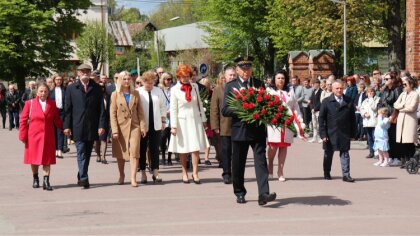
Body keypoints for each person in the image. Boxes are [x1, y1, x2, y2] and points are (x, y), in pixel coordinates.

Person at [222, 56, 276, 205]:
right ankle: (239, 192)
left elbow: (266, 103)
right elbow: (225, 110)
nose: (246, 71)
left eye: (248, 68)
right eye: (243, 69)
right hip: (240, 130)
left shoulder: (258, 84)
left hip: (257, 130)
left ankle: (263, 194)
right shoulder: (231, 86)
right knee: (238, 164)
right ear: (237, 70)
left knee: (260, 162)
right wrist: (243, 110)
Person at [64, 64, 106, 189]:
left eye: (87, 71)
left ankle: (81, 173)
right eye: (83, 71)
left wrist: (101, 125)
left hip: (92, 126)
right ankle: (84, 178)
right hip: (77, 126)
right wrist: (67, 126)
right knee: (81, 151)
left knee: (87, 153)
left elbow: (101, 109)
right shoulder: (71, 88)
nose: (85, 73)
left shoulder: (97, 88)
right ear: (78, 73)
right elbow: (68, 109)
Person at [168, 64, 209, 184]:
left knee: (195, 148)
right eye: (183, 76)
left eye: (187, 76)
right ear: (179, 77)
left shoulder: (195, 86)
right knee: (183, 149)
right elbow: (173, 108)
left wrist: (204, 119)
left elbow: (199, 104)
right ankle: (184, 171)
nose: (185, 78)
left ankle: (195, 173)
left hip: (195, 119)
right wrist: (173, 126)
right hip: (182, 121)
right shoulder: (174, 89)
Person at [19, 83, 63, 191]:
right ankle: (35, 178)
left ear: (48, 93)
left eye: (45, 91)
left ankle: (46, 181)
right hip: (34, 136)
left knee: (47, 159)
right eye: (41, 91)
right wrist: (23, 136)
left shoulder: (52, 104)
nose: (43, 93)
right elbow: (23, 121)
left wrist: (64, 128)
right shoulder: (30, 104)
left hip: (48, 136)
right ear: (37, 92)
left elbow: (57, 119)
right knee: (34, 160)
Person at [266, 71, 305, 182]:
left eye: (283, 78)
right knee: (273, 146)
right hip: (275, 123)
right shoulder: (269, 91)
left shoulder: (290, 91)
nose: (281, 80)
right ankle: (270, 167)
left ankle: (280, 171)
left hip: (287, 124)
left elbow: (295, 107)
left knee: (284, 146)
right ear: (274, 79)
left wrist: (300, 122)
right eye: (278, 78)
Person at [110, 71, 146, 187]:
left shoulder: (135, 93)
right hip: (120, 127)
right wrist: (114, 130)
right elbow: (112, 114)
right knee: (121, 153)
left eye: (128, 79)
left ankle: (133, 178)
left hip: (134, 126)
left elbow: (140, 111)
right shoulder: (115, 94)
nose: (126, 81)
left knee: (134, 152)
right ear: (120, 80)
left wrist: (143, 126)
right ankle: (122, 175)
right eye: (124, 79)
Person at [319, 81, 356, 182]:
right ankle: (326, 172)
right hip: (330, 132)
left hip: (344, 132)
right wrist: (323, 134)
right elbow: (321, 119)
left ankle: (346, 174)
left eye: (341, 88)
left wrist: (353, 133)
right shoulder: (326, 101)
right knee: (328, 154)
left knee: (345, 153)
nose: (339, 90)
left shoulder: (348, 101)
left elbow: (352, 118)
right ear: (332, 89)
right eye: (337, 88)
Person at [137, 71, 166, 184]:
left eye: (152, 82)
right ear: (143, 82)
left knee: (155, 149)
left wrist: (163, 120)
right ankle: (143, 172)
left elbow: (163, 106)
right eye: (147, 82)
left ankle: (155, 172)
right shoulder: (138, 92)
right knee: (142, 149)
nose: (150, 85)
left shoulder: (158, 91)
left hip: (156, 124)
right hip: (143, 125)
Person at [210, 67, 236, 184]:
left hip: (238, 126)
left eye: (234, 75)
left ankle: (236, 173)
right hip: (224, 126)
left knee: (236, 152)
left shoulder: (239, 88)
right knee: (225, 151)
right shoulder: (218, 90)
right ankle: (226, 173)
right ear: (224, 76)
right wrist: (215, 125)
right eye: (230, 75)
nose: (232, 77)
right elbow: (214, 109)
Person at [377, 72, 402, 166]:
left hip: (393, 116)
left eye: (387, 79)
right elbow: (381, 101)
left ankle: (397, 157)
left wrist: (393, 116)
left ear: (393, 79)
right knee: (387, 138)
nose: (385, 81)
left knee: (394, 137)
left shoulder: (397, 89)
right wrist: (379, 113)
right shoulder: (385, 90)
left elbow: (398, 104)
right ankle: (390, 157)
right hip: (385, 117)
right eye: (385, 79)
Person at [393, 76, 419, 167]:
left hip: (410, 120)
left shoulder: (415, 94)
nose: (403, 86)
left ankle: (411, 161)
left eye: (405, 84)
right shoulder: (403, 94)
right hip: (401, 119)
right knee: (402, 141)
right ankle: (405, 160)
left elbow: (412, 107)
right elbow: (395, 104)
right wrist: (403, 106)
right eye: (403, 84)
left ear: (411, 85)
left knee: (409, 141)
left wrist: (401, 108)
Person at [49, 74, 68, 158]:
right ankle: (55, 149)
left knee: (60, 131)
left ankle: (59, 150)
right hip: (52, 113)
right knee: (53, 132)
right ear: (54, 80)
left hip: (62, 113)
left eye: (60, 79)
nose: (59, 81)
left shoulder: (65, 90)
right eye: (57, 79)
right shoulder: (50, 91)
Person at [158, 72, 174, 165]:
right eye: (168, 79)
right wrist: (164, 113)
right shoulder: (160, 90)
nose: (169, 81)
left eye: (171, 79)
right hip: (163, 117)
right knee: (163, 138)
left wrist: (171, 111)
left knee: (171, 139)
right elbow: (159, 104)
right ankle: (163, 156)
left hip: (172, 117)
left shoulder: (174, 89)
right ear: (163, 80)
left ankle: (169, 158)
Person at [360, 87, 380, 158]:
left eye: (372, 91)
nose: (370, 93)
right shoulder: (365, 101)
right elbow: (361, 109)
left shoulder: (377, 99)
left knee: (375, 137)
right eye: (369, 92)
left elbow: (374, 108)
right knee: (369, 138)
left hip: (374, 121)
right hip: (367, 122)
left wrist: (371, 99)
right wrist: (364, 113)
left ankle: (377, 152)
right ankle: (371, 152)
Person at [94, 80, 110, 164]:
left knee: (104, 139)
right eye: (100, 87)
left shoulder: (108, 96)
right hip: (96, 120)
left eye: (103, 87)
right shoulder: (94, 96)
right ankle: (98, 155)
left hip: (105, 120)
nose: (101, 88)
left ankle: (103, 157)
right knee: (97, 140)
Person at [309, 79, 322, 143]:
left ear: (318, 84)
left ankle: (320, 137)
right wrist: (312, 108)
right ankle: (314, 137)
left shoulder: (321, 91)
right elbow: (311, 101)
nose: (313, 85)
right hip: (313, 111)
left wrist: (315, 109)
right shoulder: (313, 91)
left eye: (314, 84)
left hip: (318, 110)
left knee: (319, 124)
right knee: (314, 124)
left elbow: (321, 102)